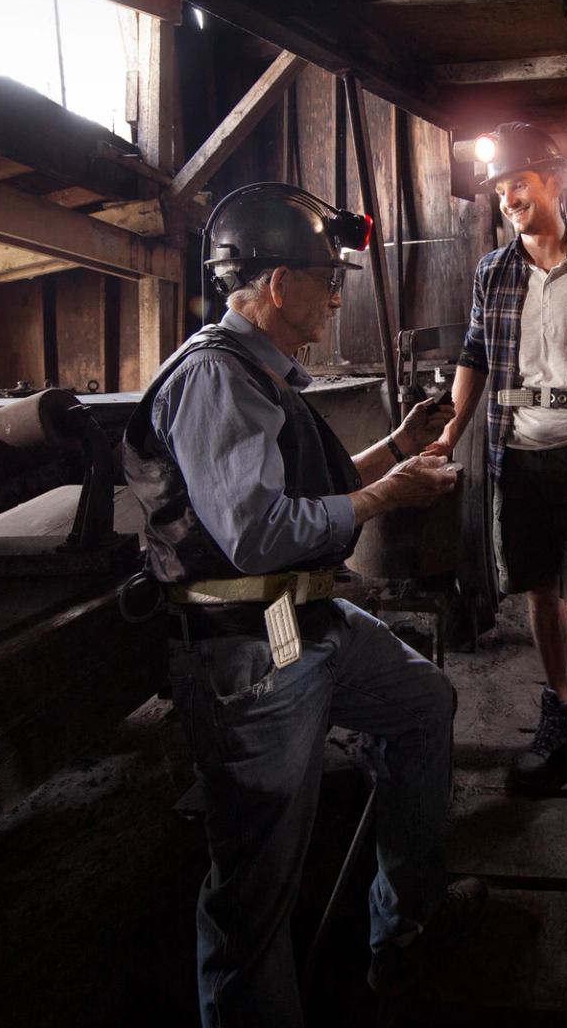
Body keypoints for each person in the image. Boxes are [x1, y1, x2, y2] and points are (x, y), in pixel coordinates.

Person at [122, 182, 485, 1025]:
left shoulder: (260, 371)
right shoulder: (217, 379)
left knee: (422, 703)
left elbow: (306, 490)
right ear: (277, 285)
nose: (337, 292)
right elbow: (257, 533)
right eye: (329, 275)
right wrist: (387, 497)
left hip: (290, 620)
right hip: (241, 645)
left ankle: (404, 929)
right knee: (257, 873)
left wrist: (397, 449)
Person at [424, 122, 567, 831]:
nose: (508, 196)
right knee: (539, 596)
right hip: (517, 456)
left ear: (552, 181)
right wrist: (450, 431)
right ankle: (557, 712)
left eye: (519, 182)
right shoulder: (494, 270)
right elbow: (476, 354)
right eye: (500, 187)